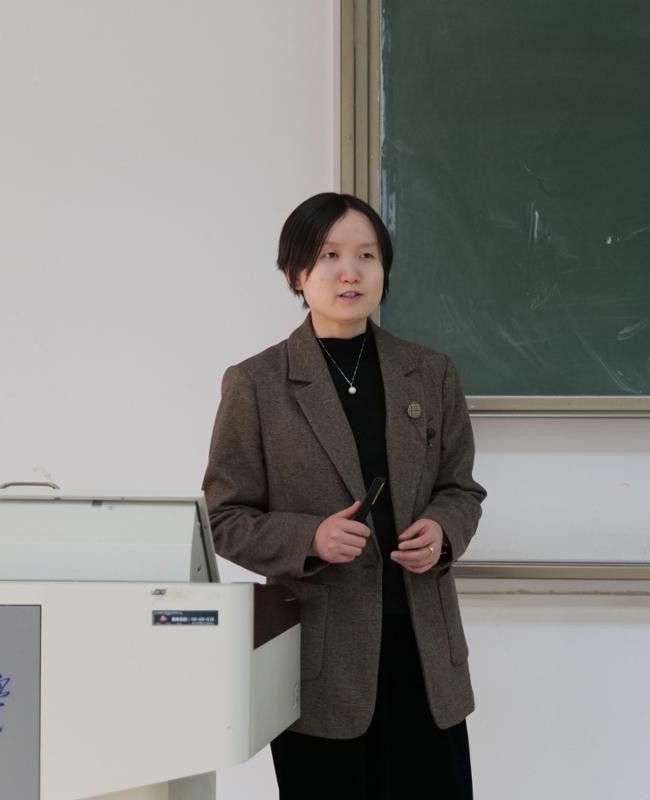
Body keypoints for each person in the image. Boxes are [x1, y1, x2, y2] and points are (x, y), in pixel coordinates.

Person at [201, 192, 486, 799]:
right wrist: (311, 538)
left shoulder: (431, 373)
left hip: (424, 655)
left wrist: (442, 531)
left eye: (367, 255)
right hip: (320, 664)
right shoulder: (256, 383)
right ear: (295, 273)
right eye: (329, 255)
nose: (350, 272)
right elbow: (224, 517)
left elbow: (460, 488)